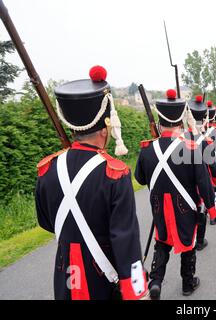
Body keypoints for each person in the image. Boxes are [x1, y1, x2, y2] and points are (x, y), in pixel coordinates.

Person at [35, 66, 148, 300]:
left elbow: (46, 222)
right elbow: (125, 240)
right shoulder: (114, 173)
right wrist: (136, 289)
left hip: (65, 274)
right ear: (106, 127)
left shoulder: (47, 169)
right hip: (103, 277)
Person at [135, 89, 216, 299]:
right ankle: (188, 283)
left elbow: (140, 179)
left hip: (159, 207)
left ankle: (155, 282)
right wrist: (211, 209)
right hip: (186, 206)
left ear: (159, 121)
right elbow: (203, 183)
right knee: (188, 244)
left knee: (161, 242)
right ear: (180, 122)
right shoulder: (191, 149)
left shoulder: (147, 149)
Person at [185, 95, 216, 251]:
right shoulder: (206, 141)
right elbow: (213, 167)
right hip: (203, 180)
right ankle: (199, 240)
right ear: (204, 119)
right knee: (201, 208)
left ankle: (190, 238)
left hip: (185, 182)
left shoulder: (181, 139)